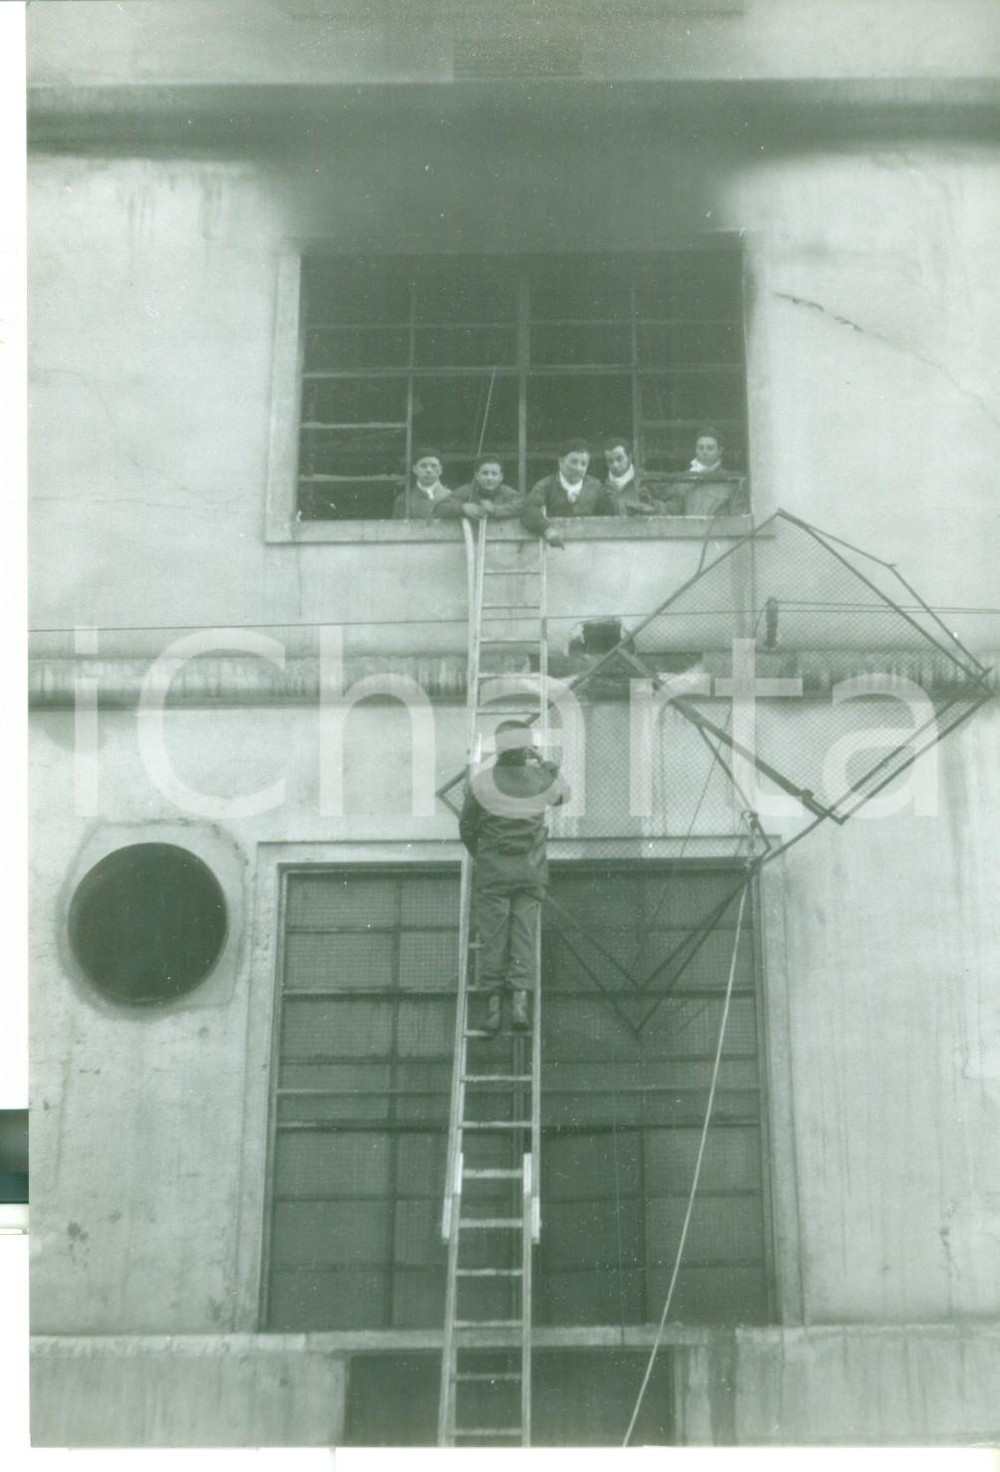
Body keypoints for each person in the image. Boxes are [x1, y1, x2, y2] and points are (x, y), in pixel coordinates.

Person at [459, 719, 570, 1034]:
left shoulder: (482, 782)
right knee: (523, 937)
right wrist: (544, 761)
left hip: (493, 872)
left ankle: (493, 1009)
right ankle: (519, 1004)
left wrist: (485, 856)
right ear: (526, 747)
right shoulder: (538, 779)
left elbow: (467, 828)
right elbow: (565, 794)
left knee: (492, 939)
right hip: (530, 872)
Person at [521, 439, 617, 548]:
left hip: (588, 547)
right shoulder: (546, 485)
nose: (578, 468)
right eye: (574, 462)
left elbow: (609, 516)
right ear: (561, 462)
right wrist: (546, 529)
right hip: (556, 547)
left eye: (583, 464)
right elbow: (528, 509)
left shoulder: (596, 487)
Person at [433, 454, 523, 523]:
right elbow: (440, 508)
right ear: (477, 476)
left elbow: (522, 506)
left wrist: (495, 509)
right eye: (485, 473)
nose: (489, 477)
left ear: (501, 477)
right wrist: (463, 507)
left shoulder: (507, 492)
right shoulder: (466, 490)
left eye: (494, 474)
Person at [603, 435, 657, 516]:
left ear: (630, 457)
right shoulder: (602, 490)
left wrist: (652, 506)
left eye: (619, 459)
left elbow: (676, 503)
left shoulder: (647, 479)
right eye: (610, 461)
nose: (615, 465)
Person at [392, 448, 451, 520]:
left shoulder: (450, 497)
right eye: (423, 466)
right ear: (415, 469)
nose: (429, 470)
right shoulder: (403, 500)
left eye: (434, 466)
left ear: (440, 469)